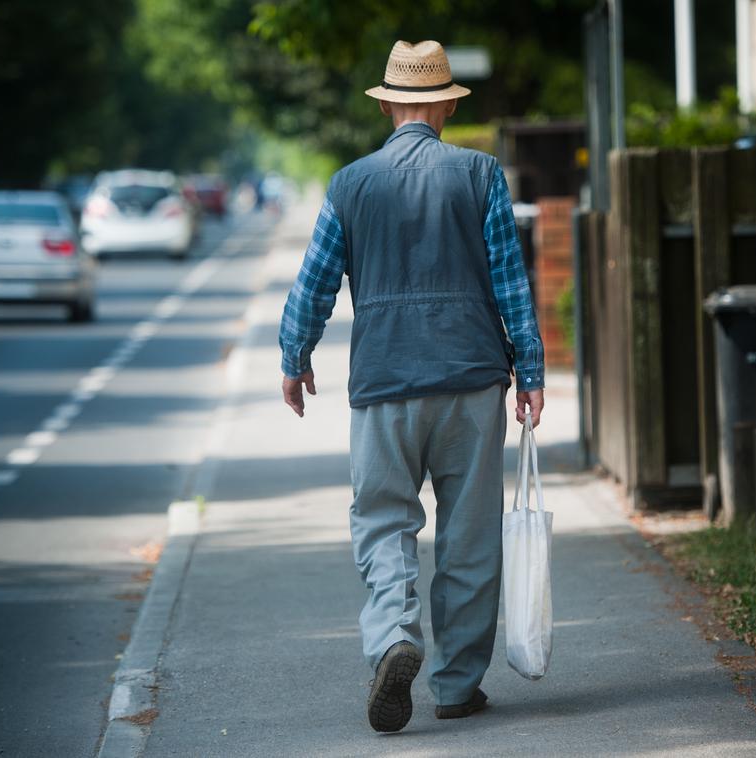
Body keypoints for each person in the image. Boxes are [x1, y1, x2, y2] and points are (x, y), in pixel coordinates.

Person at [278, 39, 545, 734]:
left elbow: (314, 283)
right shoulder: (481, 174)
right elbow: (511, 284)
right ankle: (457, 686)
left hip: (384, 381)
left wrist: (295, 356)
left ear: (391, 103)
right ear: (449, 105)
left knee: (385, 521)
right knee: (470, 535)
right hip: (471, 379)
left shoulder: (349, 183)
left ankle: (395, 635)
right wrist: (532, 372)